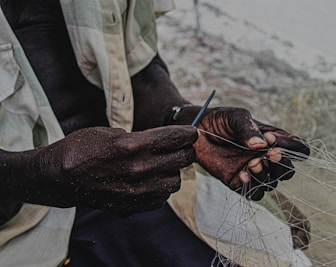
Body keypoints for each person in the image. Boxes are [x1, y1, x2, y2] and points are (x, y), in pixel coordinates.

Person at [0, 1, 309, 266]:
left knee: (283, 254)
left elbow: (140, 66)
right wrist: (32, 176)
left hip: (132, 184)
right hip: (15, 228)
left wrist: (183, 117)